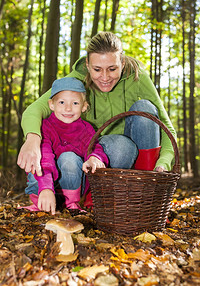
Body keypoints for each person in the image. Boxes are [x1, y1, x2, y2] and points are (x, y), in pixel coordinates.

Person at [17, 31, 176, 206]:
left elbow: (166, 125)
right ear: (87, 65)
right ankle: (96, 195)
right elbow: (35, 109)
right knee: (119, 146)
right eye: (97, 69)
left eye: (112, 69)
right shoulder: (76, 81)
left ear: (121, 62)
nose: (105, 77)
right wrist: (32, 138)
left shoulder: (137, 77)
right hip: (91, 154)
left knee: (144, 110)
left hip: (129, 159)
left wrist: (164, 162)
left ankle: (147, 196)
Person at [22, 77, 108, 214]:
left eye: (75, 103)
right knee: (36, 160)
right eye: (62, 102)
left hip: (71, 182)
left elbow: (95, 147)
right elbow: (45, 157)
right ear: (51, 105)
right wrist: (46, 188)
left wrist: (94, 157)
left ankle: (71, 204)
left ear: (84, 106)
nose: (68, 108)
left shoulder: (86, 129)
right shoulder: (45, 126)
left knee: (69, 158)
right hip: (45, 182)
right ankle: (40, 201)